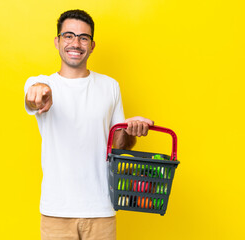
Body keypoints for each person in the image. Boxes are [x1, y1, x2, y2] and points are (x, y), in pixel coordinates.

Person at [24, 9, 154, 240]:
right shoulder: (41, 84)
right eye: (69, 35)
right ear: (57, 41)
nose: (76, 43)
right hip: (56, 212)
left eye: (83, 37)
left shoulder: (110, 86)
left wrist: (131, 129)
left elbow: (119, 146)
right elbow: (33, 99)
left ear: (92, 45)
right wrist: (38, 94)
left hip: (101, 210)